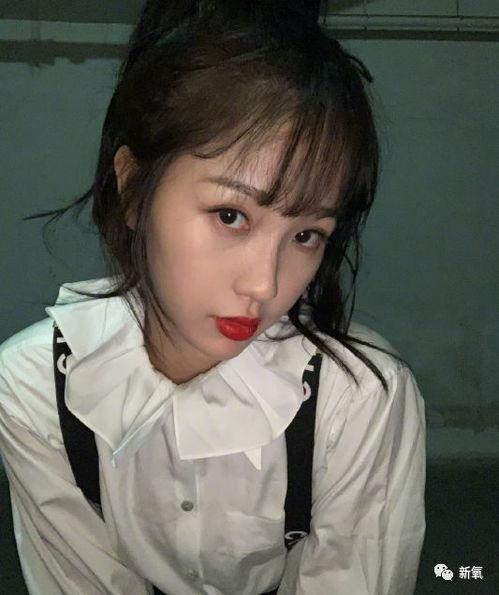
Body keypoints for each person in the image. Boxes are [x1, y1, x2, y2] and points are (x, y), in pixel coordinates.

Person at [0, 1, 425, 593]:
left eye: (306, 235)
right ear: (132, 188)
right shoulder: (33, 387)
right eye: (231, 215)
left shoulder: (358, 398)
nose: (265, 285)